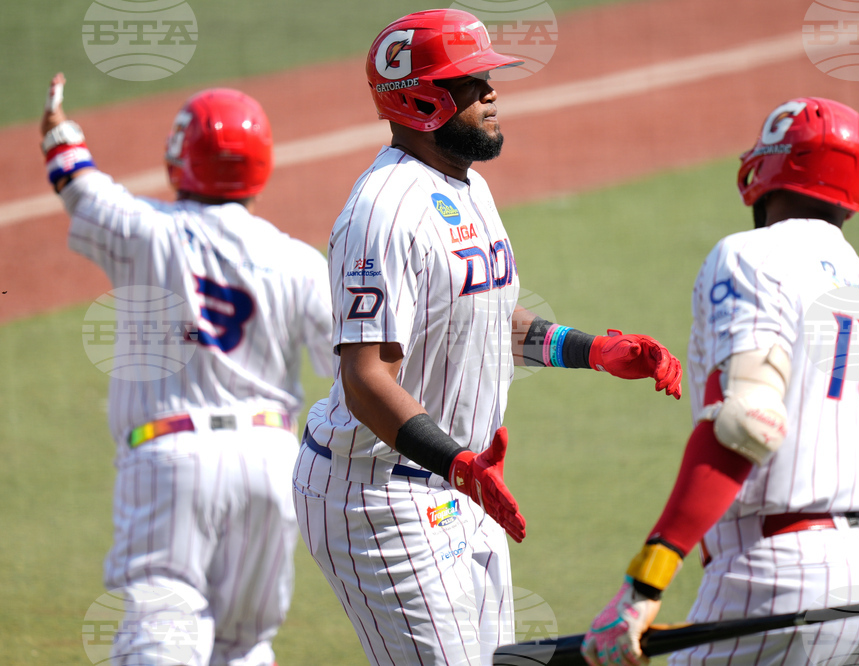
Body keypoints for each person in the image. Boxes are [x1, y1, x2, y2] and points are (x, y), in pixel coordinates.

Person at [291, 9, 684, 666]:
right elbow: (365, 379)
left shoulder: (466, 187)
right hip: (381, 492)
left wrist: (592, 350)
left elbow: (486, 320)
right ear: (421, 98)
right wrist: (457, 463)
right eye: (471, 81)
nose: (492, 91)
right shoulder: (382, 214)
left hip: (461, 480)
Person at [582, 97, 859, 666]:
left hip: (780, 582)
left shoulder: (752, 256)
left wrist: (642, 589)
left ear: (767, 167)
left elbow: (748, 425)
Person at [41, 74, 335, 665]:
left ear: (181, 159)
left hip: (171, 462)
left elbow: (77, 183)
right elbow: (351, 365)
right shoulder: (300, 262)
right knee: (246, 645)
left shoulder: (146, 232)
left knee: (161, 622)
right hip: (272, 467)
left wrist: (58, 129)